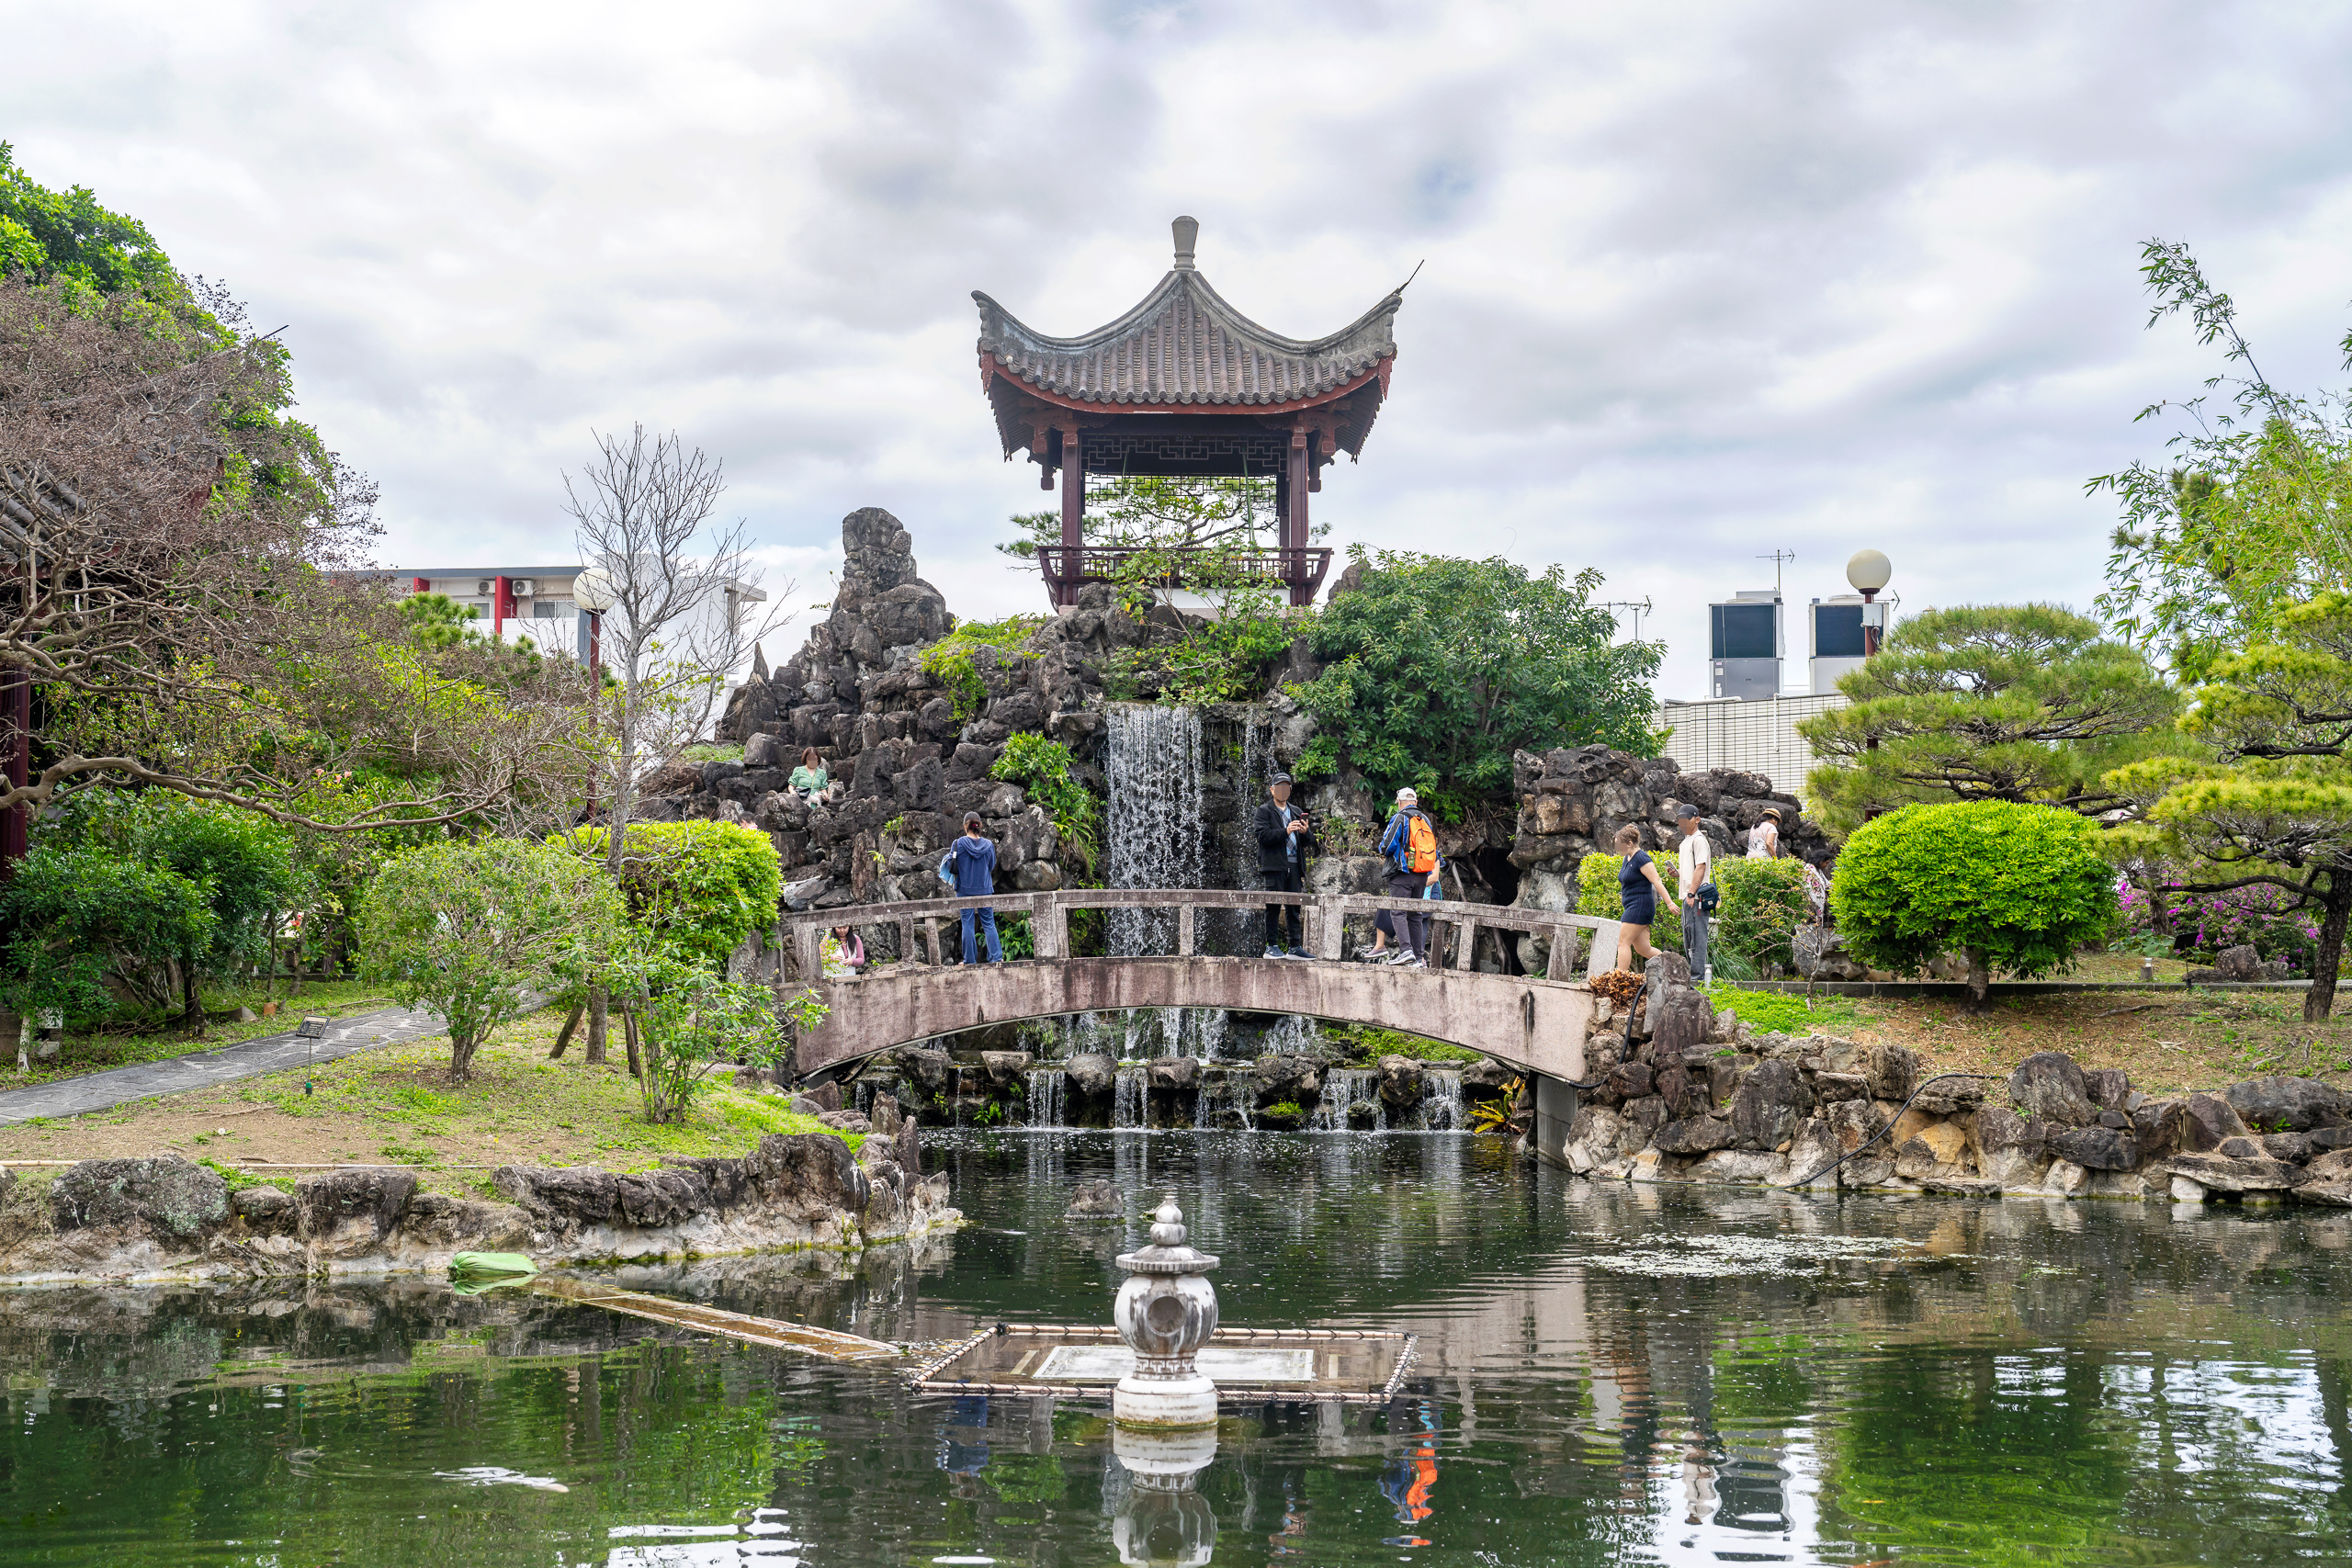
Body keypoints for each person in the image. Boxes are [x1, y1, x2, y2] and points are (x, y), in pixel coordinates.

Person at [1375, 786, 1444, 968]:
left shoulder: (1400, 817)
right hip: (1422, 875)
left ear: (1399, 802)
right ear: (1416, 802)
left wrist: (1382, 849)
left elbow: (1387, 845)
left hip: (1402, 874)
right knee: (1415, 914)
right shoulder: (1425, 820)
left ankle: (1406, 951)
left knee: (1398, 911)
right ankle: (1418, 957)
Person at [1252, 773, 1318, 958]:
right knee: (1273, 906)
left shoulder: (1296, 811)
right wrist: (1285, 831)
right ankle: (1271, 946)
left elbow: (1309, 842)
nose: (1283, 790)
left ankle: (1295, 947)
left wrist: (1305, 832)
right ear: (1272, 790)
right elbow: (1262, 836)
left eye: (1286, 787)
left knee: (1294, 907)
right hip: (1274, 865)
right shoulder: (1264, 811)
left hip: (1295, 864)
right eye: (1279, 787)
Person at [936, 814, 1002, 964]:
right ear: (979, 825)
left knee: (967, 924)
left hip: (964, 889)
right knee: (989, 923)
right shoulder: (989, 845)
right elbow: (991, 866)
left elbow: (951, 865)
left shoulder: (958, 843)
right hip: (985, 888)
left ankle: (970, 960)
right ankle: (996, 958)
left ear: (965, 826)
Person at [1612, 824, 1670, 972]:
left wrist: (1669, 903)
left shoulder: (1642, 858)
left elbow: (1656, 881)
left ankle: (1619, 978)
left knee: (1623, 942)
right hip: (1633, 906)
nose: (1617, 848)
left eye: (1619, 845)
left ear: (1629, 843)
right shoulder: (1627, 858)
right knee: (1644, 949)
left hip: (1639, 907)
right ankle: (1672, 966)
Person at [1674, 803, 1713, 984]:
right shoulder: (1685, 842)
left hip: (1696, 897)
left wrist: (1691, 894)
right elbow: (1691, 871)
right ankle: (1692, 977)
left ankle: (1697, 979)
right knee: (1689, 938)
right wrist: (1678, 873)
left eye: (1686, 819)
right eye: (1680, 820)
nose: (1682, 823)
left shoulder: (1699, 840)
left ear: (1697, 820)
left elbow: (1701, 868)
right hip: (1688, 897)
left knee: (1697, 938)